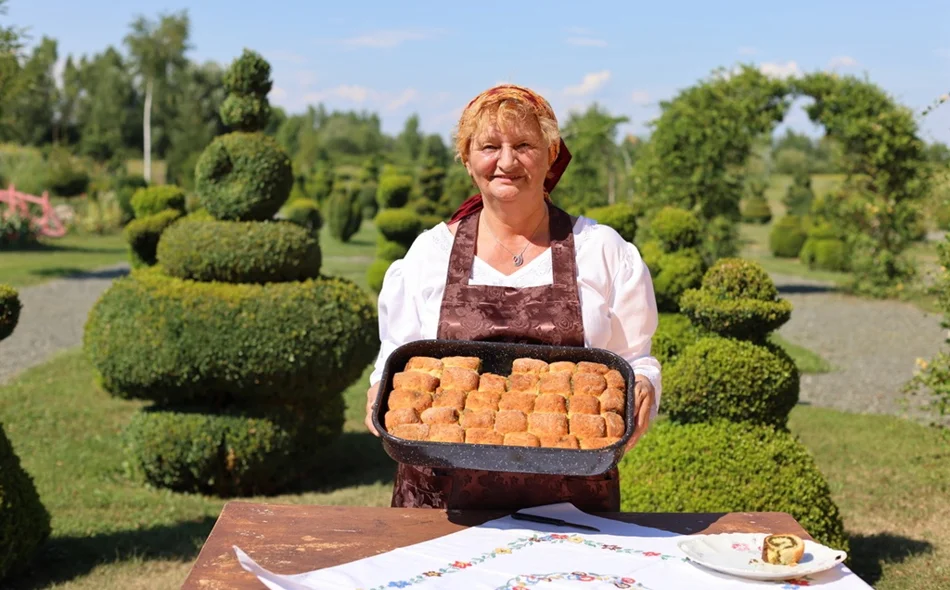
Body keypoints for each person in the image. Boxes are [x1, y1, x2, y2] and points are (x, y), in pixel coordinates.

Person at [364, 84, 661, 512]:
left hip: (571, 504)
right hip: (441, 505)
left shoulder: (601, 251)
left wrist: (645, 385)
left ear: (551, 154)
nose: (506, 161)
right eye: (489, 146)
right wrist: (379, 392)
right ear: (467, 158)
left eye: (524, 145)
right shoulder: (430, 256)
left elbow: (634, 359)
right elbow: (397, 359)